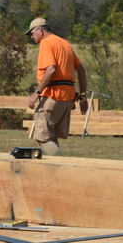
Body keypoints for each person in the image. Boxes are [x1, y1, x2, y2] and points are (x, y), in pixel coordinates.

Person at [26, 18, 88, 156]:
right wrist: (83, 98)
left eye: (31, 33)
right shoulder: (65, 43)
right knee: (51, 137)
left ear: (40, 31)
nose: (31, 36)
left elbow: (51, 69)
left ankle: (62, 167)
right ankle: (54, 171)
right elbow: (81, 70)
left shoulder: (46, 43)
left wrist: (36, 92)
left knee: (42, 137)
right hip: (67, 98)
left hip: (52, 96)